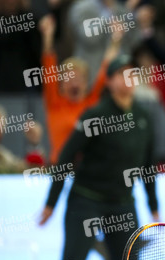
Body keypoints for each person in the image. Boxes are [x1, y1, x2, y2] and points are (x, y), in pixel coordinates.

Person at [39, 55, 159, 260]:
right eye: (122, 74)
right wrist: (51, 203)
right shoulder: (95, 114)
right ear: (109, 81)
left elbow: (148, 166)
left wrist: (153, 205)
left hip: (123, 203)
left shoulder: (143, 116)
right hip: (86, 200)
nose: (128, 79)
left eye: (132, 73)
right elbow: (65, 158)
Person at [38, 14, 122, 164]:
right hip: (60, 167)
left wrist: (116, 40)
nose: (74, 83)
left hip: (87, 170)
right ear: (61, 84)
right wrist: (48, 36)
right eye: (69, 78)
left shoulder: (92, 103)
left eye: (79, 78)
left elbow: (106, 67)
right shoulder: (54, 103)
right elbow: (48, 65)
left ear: (85, 83)